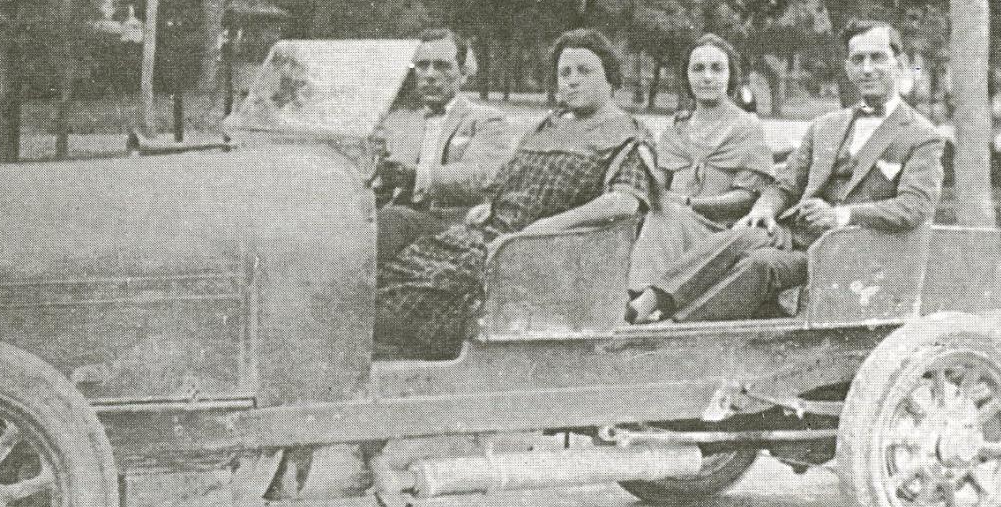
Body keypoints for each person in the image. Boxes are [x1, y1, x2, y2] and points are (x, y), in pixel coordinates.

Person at [625, 20, 944, 323]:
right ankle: (652, 300)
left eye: (878, 58)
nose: (867, 69)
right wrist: (765, 209)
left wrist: (841, 215)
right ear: (847, 67)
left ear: (900, 65)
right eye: (857, 59)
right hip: (795, 234)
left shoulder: (921, 135)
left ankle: (677, 328)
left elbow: (915, 206)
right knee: (745, 233)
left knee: (760, 263)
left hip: (853, 250)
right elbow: (784, 186)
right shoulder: (826, 126)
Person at [375, 28, 655, 359]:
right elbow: (504, 178)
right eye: (564, 73)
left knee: (420, 293)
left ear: (610, 79)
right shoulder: (547, 127)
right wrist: (489, 203)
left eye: (585, 71)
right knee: (394, 273)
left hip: (544, 253)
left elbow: (623, 202)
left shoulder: (628, 133)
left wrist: (545, 229)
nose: (572, 81)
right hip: (492, 235)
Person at [626, 34, 774, 301]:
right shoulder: (676, 132)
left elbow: (748, 198)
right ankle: (641, 299)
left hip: (720, 237)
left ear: (731, 76)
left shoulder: (747, 128)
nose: (707, 77)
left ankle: (641, 300)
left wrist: (687, 203)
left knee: (668, 215)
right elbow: (661, 189)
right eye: (698, 69)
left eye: (717, 68)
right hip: (672, 229)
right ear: (687, 76)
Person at [374, 28, 518, 263]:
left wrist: (415, 176)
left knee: (391, 219)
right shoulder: (401, 121)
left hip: (455, 225)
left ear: (462, 73)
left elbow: (481, 177)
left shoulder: (488, 120)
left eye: (442, 65)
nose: (430, 75)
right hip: (399, 216)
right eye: (422, 65)